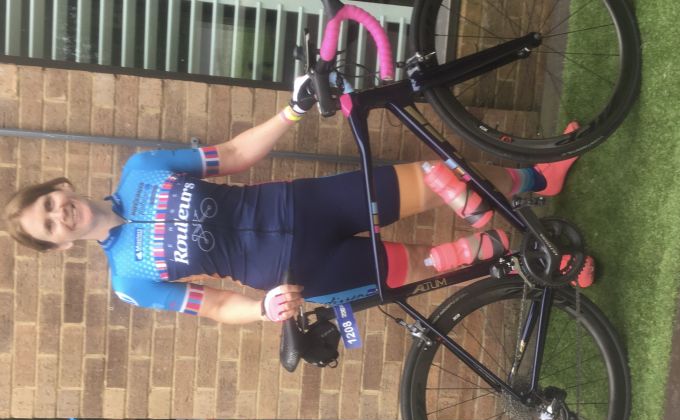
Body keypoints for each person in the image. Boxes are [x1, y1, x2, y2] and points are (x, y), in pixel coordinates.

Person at [2, 79, 581, 325]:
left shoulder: (142, 170)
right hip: (297, 273)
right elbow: (212, 305)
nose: (58, 215)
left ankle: (534, 181)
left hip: (304, 205)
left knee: (436, 176)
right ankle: (541, 258)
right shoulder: (128, 280)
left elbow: (232, 154)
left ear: (60, 188)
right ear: (60, 245)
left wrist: (293, 110)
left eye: (49, 203)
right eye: (49, 226)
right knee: (437, 262)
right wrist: (263, 310)